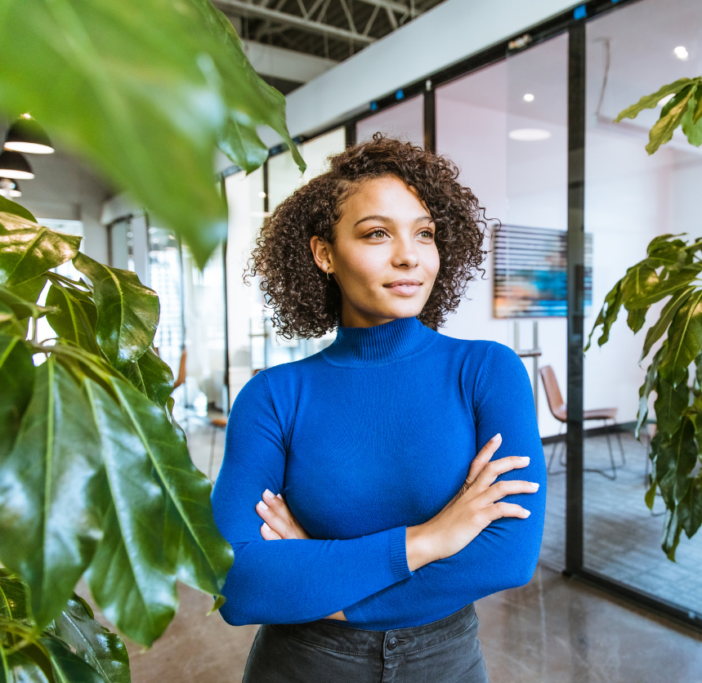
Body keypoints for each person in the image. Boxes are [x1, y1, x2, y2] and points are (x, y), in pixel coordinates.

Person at [210, 133, 547, 682]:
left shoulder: (486, 372)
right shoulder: (274, 396)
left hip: (444, 664)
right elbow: (237, 582)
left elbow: (507, 556)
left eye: (424, 233)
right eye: (375, 234)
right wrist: (431, 538)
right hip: (304, 666)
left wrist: (317, 577)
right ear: (324, 253)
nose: (408, 255)